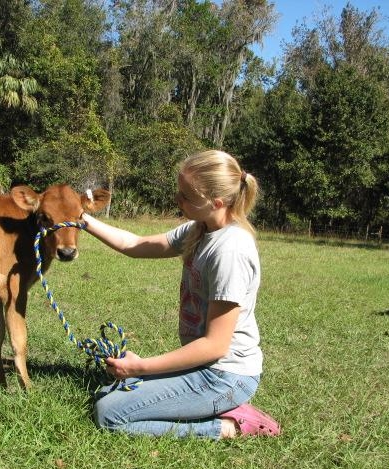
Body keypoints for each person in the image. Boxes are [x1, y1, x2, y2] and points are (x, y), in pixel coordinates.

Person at [80, 150, 280, 439]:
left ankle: (230, 426)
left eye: (186, 195)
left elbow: (215, 346)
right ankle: (216, 408)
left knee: (110, 414)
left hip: (224, 376)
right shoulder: (199, 229)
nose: (178, 200)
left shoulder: (230, 251)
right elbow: (135, 244)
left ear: (217, 202)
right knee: (105, 393)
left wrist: (140, 367)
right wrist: (81, 219)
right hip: (203, 367)